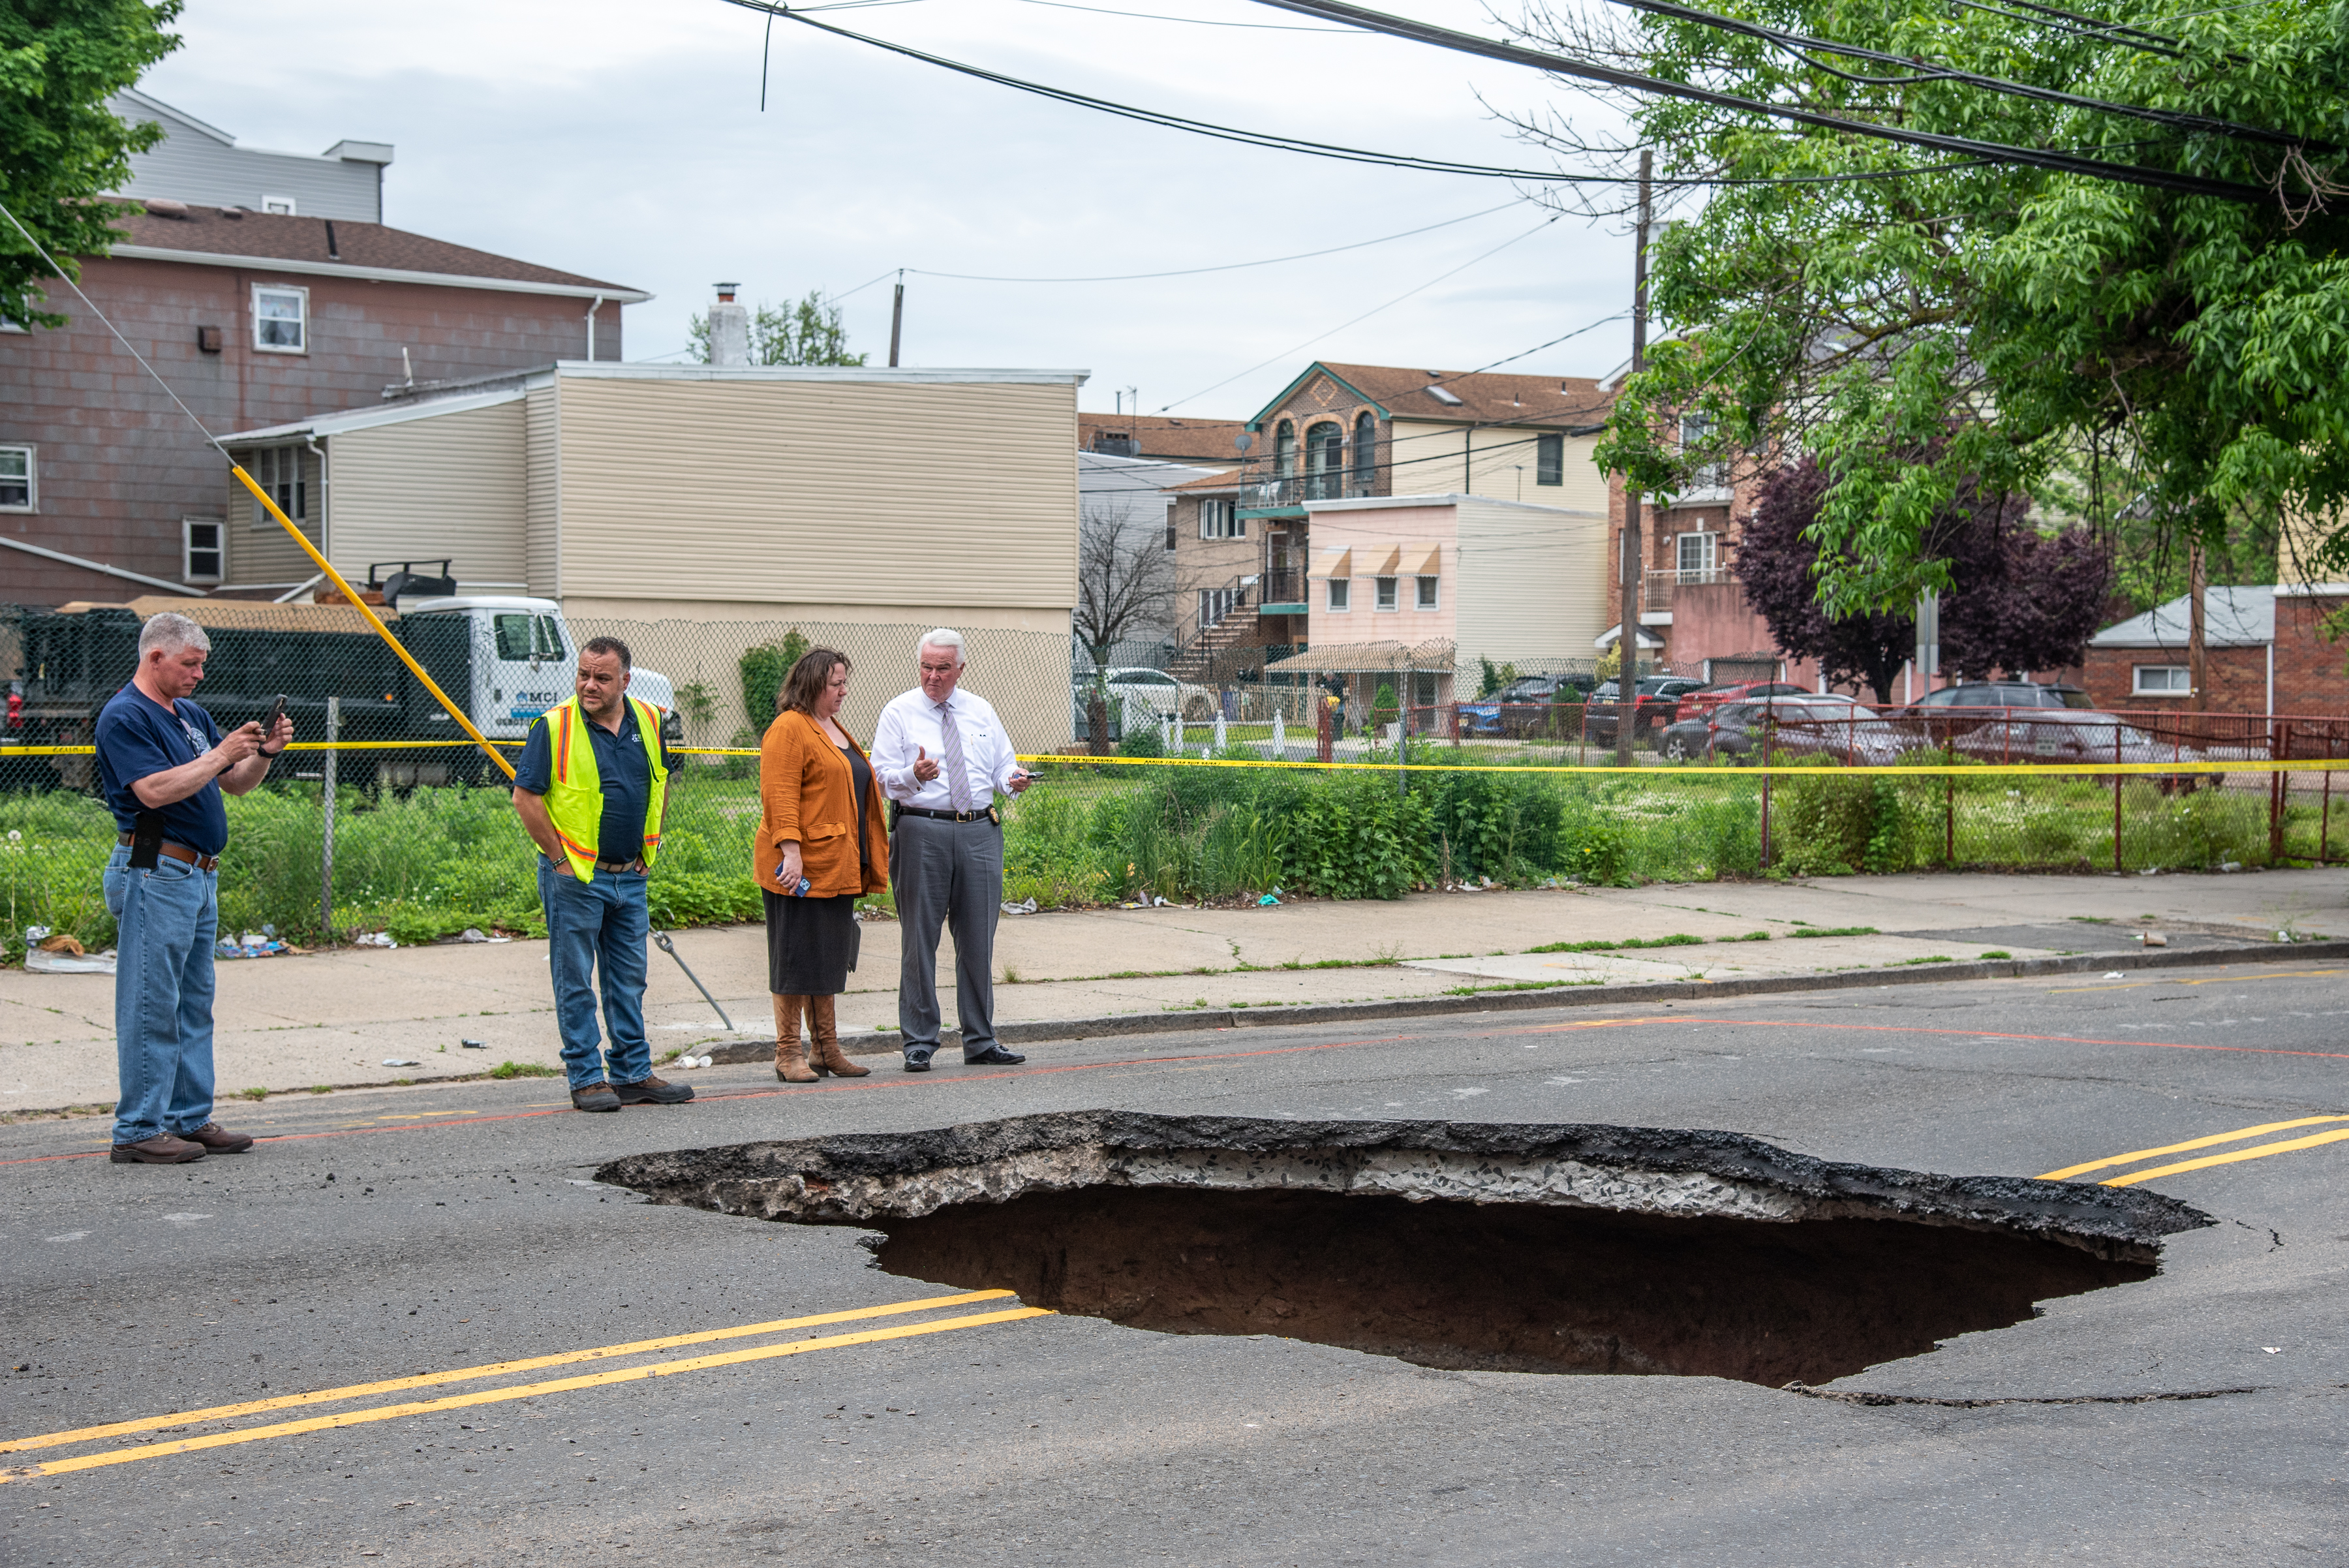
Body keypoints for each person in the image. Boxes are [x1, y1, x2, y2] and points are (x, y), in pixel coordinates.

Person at [95, 612, 290, 1164]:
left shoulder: (189, 714)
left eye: (202, 664)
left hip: (196, 875)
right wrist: (221, 753)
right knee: (151, 1002)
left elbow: (234, 783)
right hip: (156, 870)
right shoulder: (125, 715)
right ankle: (137, 1128)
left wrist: (263, 754)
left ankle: (186, 1117)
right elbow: (154, 790)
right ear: (155, 657)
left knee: (193, 1004)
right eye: (190, 663)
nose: (199, 674)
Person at [510, 636, 694, 1114]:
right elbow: (525, 798)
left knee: (628, 979)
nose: (590, 685)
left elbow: (661, 785)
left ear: (626, 681)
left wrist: (647, 850)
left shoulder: (651, 721)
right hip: (576, 878)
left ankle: (633, 1073)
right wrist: (559, 861)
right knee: (575, 978)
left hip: (629, 876)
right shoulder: (554, 726)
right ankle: (587, 1076)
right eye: (584, 675)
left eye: (602, 677)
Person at [870, 629, 1033, 1072]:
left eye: (943, 668)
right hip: (923, 829)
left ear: (961, 668)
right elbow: (880, 777)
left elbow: (1001, 764)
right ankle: (919, 1040)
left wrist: (1012, 779)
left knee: (978, 939)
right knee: (919, 940)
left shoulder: (981, 709)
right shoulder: (899, 711)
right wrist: (914, 774)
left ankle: (981, 1039)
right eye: (926, 666)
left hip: (980, 831)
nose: (933, 676)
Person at [757, 647, 889, 1083]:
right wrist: (791, 851)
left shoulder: (832, 727)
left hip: (837, 864)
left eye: (844, 682)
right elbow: (780, 795)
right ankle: (788, 1052)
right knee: (794, 956)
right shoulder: (789, 728)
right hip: (800, 869)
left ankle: (826, 1048)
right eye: (836, 683)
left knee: (828, 955)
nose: (844, 690)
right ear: (813, 684)